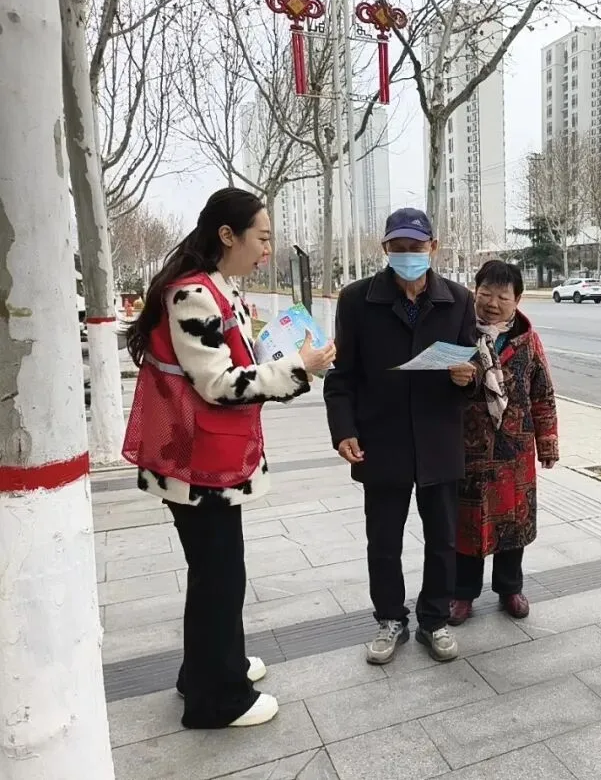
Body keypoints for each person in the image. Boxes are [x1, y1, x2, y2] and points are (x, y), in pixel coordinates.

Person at [122, 187, 336, 729]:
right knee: (219, 577)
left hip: (209, 458)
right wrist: (300, 369)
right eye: (261, 237)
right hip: (197, 464)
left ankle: (209, 668)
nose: (267, 249)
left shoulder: (215, 287)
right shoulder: (193, 296)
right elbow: (217, 383)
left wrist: (283, 356)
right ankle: (216, 700)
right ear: (227, 235)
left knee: (216, 572)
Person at [323, 207, 478, 665]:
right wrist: (344, 430)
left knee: (443, 539)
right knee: (384, 541)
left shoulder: (458, 300)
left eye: (416, 247)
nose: (408, 255)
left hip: (439, 439)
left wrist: (466, 378)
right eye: (398, 247)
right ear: (385, 249)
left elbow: (475, 363)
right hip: (382, 439)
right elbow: (341, 375)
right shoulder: (357, 300)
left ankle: (435, 619)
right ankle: (390, 618)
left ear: (434, 247)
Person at [450, 261, 558, 625]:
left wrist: (548, 443)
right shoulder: (457, 334)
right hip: (468, 450)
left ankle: (510, 588)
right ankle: (462, 594)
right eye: (485, 294)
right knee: (466, 524)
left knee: (513, 522)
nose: (492, 303)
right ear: (474, 292)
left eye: (502, 296)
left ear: (517, 300)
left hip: (515, 450)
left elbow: (543, 394)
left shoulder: (527, 340)